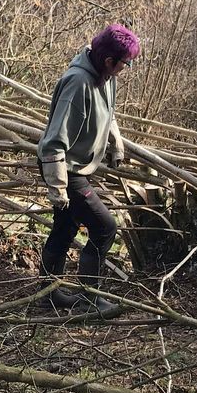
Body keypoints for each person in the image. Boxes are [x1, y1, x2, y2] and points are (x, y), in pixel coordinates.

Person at [37, 24, 140, 315]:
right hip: (66, 170)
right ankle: (89, 300)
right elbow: (53, 143)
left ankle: (49, 294)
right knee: (105, 227)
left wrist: (115, 141)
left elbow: (108, 112)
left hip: (79, 166)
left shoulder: (106, 77)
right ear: (109, 61)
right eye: (125, 64)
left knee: (64, 228)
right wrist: (57, 187)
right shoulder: (77, 83)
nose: (126, 68)